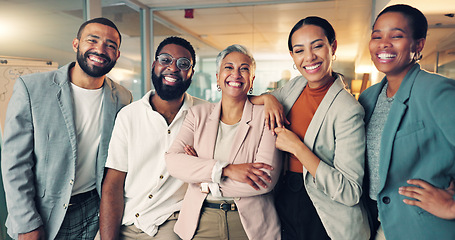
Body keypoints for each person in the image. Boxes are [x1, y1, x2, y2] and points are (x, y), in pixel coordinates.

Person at [1, 17, 132, 240]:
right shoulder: (32, 88)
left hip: (94, 209)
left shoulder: (122, 97)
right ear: (76, 44)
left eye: (111, 45)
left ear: (117, 55)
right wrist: (26, 223)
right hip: (44, 213)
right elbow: (15, 163)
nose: (101, 49)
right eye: (93, 40)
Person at [250, 16, 370, 240]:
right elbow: (247, 101)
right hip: (285, 195)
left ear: (332, 47)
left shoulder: (348, 109)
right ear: (292, 56)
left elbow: (350, 191)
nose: (309, 57)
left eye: (317, 46)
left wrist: (297, 147)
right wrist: (268, 98)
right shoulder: (296, 85)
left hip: (324, 211)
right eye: (299, 50)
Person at [359, 4, 455, 240]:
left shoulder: (436, 91)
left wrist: (452, 206)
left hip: (423, 228)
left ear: (418, 45)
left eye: (396, 36)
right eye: (377, 36)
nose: (383, 43)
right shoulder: (368, 97)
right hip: (376, 224)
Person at [165, 44, 281, 240]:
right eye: (228, 67)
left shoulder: (266, 116)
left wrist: (201, 177)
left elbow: (263, 181)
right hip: (201, 221)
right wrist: (226, 170)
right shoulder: (197, 114)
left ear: (251, 80)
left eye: (244, 69)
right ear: (218, 77)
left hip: (250, 226)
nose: (236, 74)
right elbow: (173, 162)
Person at [98, 36, 206, 240]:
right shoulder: (129, 115)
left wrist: (267, 99)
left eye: (183, 64)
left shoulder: (206, 114)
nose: (173, 68)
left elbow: (242, 107)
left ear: (191, 73)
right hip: (127, 218)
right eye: (165, 60)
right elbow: (113, 185)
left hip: (170, 220)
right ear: (154, 64)